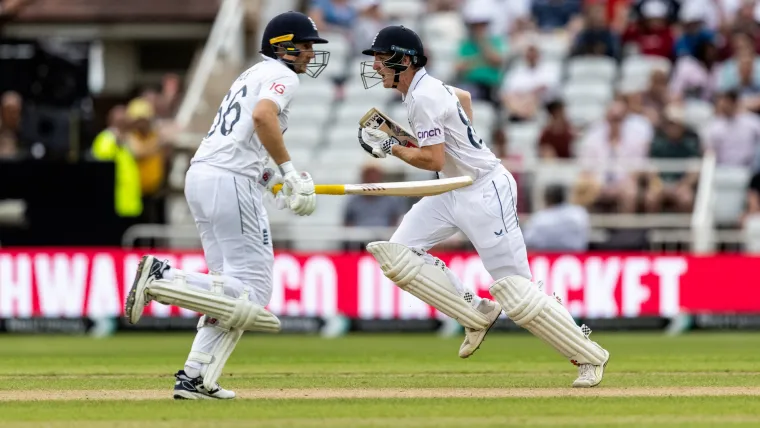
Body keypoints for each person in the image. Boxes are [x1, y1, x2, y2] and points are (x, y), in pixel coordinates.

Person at [357, 25, 610, 388]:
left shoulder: (425, 97)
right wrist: (459, 145)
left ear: (405, 60)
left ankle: (589, 355)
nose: (377, 66)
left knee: (518, 291)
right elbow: (463, 100)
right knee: (397, 254)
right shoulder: (425, 90)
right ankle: (476, 312)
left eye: (382, 59)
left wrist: (390, 149)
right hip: (452, 187)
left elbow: (430, 159)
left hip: (484, 191)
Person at [124, 11, 329, 400]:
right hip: (227, 180)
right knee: (254, 289)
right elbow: (262, 117)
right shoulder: (281, 77)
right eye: (303, 47)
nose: (309, 54)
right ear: (282, 46)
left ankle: (195, 376)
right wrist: (289, 171)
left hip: (207, 174)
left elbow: (242, 140)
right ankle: (162, 278)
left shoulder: (251, 73)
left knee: (228, 292)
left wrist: (273, 183)